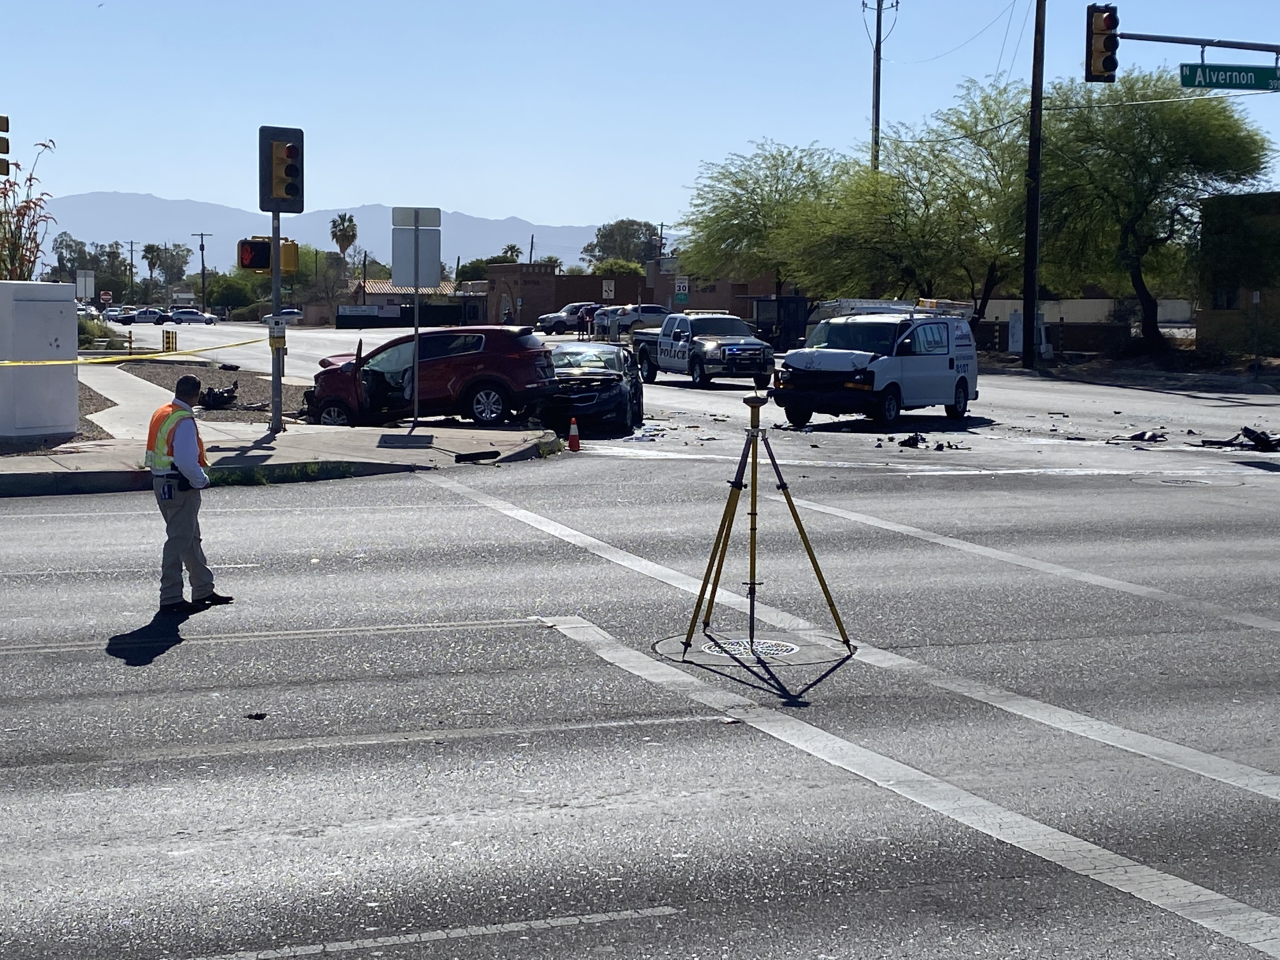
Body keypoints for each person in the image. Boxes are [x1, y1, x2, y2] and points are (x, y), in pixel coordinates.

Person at [146, 375, 234, 614]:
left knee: (190, 538)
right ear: (197, 395)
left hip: (163, 482)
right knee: (178, 540)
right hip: (180, 485)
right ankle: (171, 596)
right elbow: (186, 460)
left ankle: (203, 588)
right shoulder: (183, 421)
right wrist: (201, 480)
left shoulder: (163, 412)